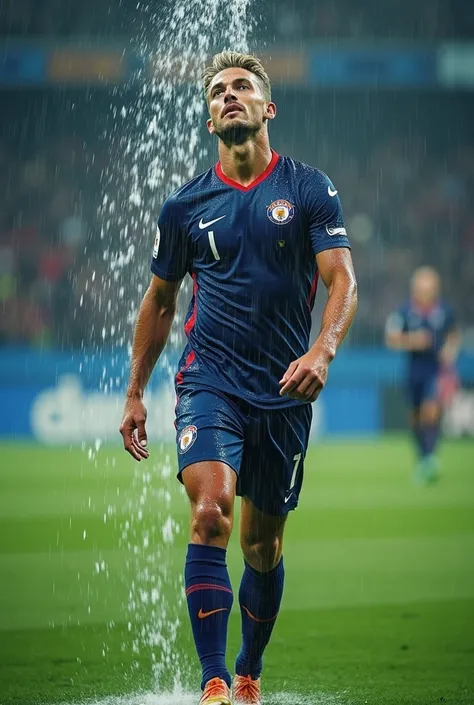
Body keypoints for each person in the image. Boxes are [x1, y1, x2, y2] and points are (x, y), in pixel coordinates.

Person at [120, 51, 357, 705]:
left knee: (263, 541)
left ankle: (249, 668)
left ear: (266, 108)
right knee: (211, 511)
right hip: (209, 382)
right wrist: (136, 390)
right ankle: (214, 679)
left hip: (283, 391)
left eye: (242, 86)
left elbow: (343, 279)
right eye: (218, 90)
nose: (229, 95)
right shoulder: (186, 206)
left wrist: (323, 350)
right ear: (207, 118)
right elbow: (161, 301)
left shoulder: (310, 188)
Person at [385, 266, 460, 484]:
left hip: (436, 370)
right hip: (413, 370)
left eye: (430, 287)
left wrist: (449, 350)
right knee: (415, 417)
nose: (426, 291)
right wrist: (414, 340)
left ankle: (430, 458)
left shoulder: (444, 310)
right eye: (422, 287)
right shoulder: (404, 311)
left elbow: (453, 334)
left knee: (431, 411)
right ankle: (424, 458)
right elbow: (392, 338)